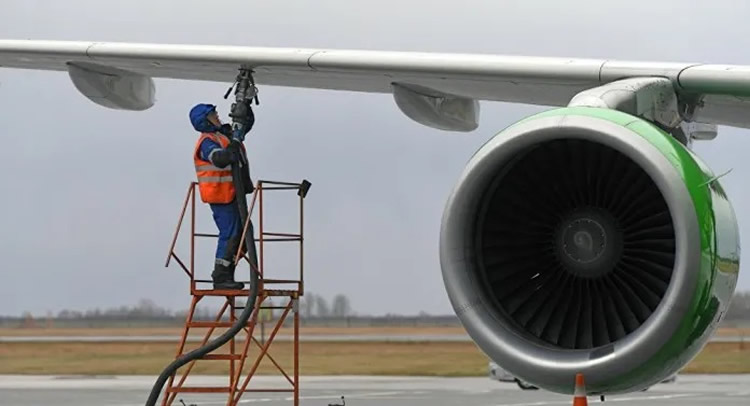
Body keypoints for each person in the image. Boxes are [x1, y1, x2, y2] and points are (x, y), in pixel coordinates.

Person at [189, 103, 257, 290]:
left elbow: (244, 127)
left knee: (245, 233)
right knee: (230, 233)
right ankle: (220, 277)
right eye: (213, 114)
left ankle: (228, 271)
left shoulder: (223, 135)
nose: (217, 116)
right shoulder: (207, 142)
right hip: (221, 196)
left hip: (234, 194)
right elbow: (219, 159)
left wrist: (246, 107)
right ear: (205, 120)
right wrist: (232, 148)